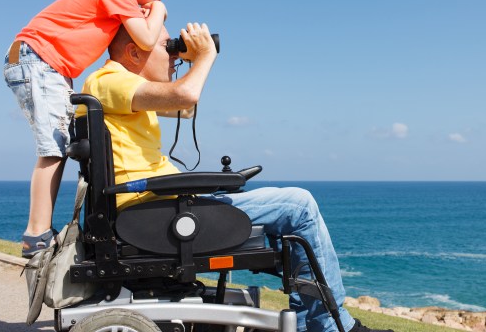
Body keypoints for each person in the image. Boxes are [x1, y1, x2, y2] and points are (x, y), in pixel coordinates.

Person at [76, 22, 393, 332]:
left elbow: (183, 107)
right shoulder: (109, 80)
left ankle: (308, 323)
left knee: (293, 221)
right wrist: (205, 55)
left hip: (154, 209)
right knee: (300, 205)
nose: (173, 55)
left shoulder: (120, 89)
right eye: (167, 47)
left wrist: (187, 60)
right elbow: (185, 96)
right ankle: (334, 327)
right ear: (133, 52)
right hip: (155, 217)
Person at [3, 0, 172, 258]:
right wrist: (159, 12)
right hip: (38, 60)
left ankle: (39, 231)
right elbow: (147, 39)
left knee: (61, 144)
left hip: (44, 63)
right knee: (53, 149)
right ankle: (36, 235)